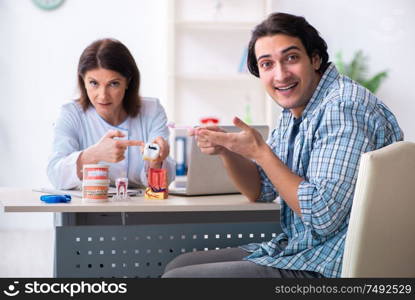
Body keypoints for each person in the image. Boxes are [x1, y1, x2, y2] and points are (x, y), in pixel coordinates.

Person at [162, 12, 403, 278]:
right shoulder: (297, 110)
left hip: (331, 266)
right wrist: (228, 152)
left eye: (291, 58)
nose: (280, 74)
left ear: (314, 59)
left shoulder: (342, 107)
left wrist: (261, 152)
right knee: (178, 266)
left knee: (178, 279)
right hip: (301, 251)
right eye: (267, 64)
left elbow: (323, 216)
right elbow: (261, 189)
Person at [47, 38, 175, 189]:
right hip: (88, 207)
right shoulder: (71, 113)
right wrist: (94, 154)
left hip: (140, 208)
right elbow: (56, 175)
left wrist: (156, 161)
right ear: (83, 81)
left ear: (128, 82)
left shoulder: (152, 110)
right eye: (94, 83)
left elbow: (161, 185)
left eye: (113, 84)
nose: (103, 96)